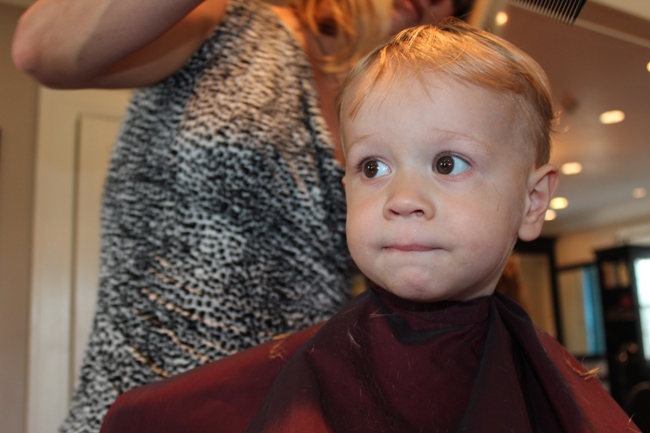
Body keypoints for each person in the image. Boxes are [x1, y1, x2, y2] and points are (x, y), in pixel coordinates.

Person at [97, 20, 638, 433]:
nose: (401, 199)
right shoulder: (300, 376)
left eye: (447, 164)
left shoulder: (558, 392)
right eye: (372, 168)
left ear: (532, 202)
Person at [13, 0, 475, 431]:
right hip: (143, 403)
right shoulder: (229, 22)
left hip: (282, 412)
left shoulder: (382, 115)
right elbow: (43, 48)